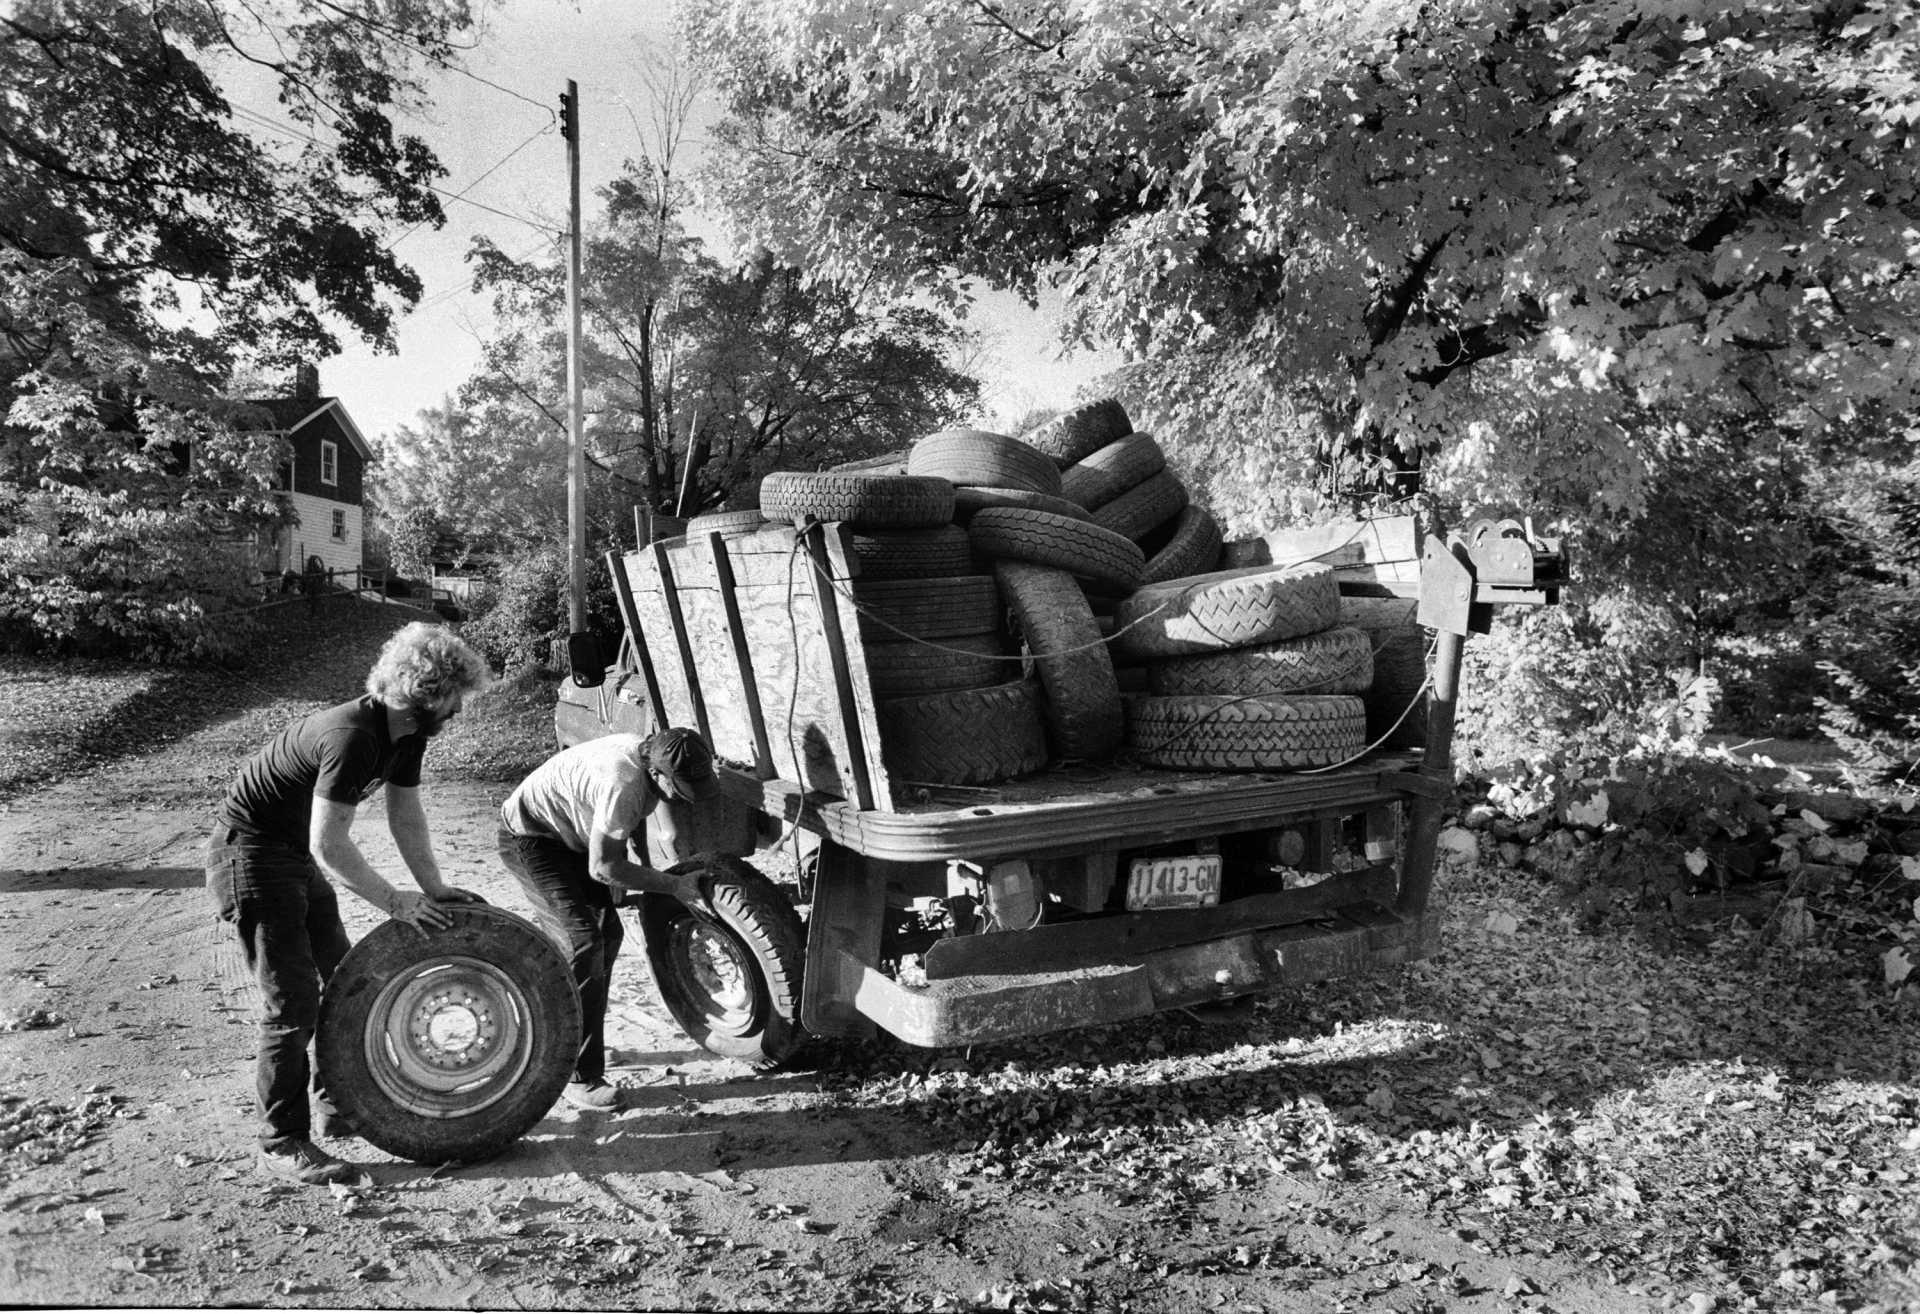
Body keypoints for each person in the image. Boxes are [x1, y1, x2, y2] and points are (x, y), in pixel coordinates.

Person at [205, 621, 493, 1186]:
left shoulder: (406, 734)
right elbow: (329, 844)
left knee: (344, 981)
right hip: (250, 856)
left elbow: (405, 814)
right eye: (455, 696)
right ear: (426, 692)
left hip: (290, 856)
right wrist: (395, 902)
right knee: (293, 1002)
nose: (459, 708)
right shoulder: (353, 736)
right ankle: (281, 1141)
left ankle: (336, 1106)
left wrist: (433, 887)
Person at [496, 726, 721, 1112]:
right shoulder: (624, 783)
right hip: (531, 836)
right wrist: (672, 886)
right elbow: (602, 866)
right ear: (657, 773)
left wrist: (630, 869)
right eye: (680, 786)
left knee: (606, 933)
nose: (685, 796)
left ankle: (580, 1040)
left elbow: (626, 830)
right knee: (583, 942)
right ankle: (574, 1074)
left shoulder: (648, 762)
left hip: (573, 835)